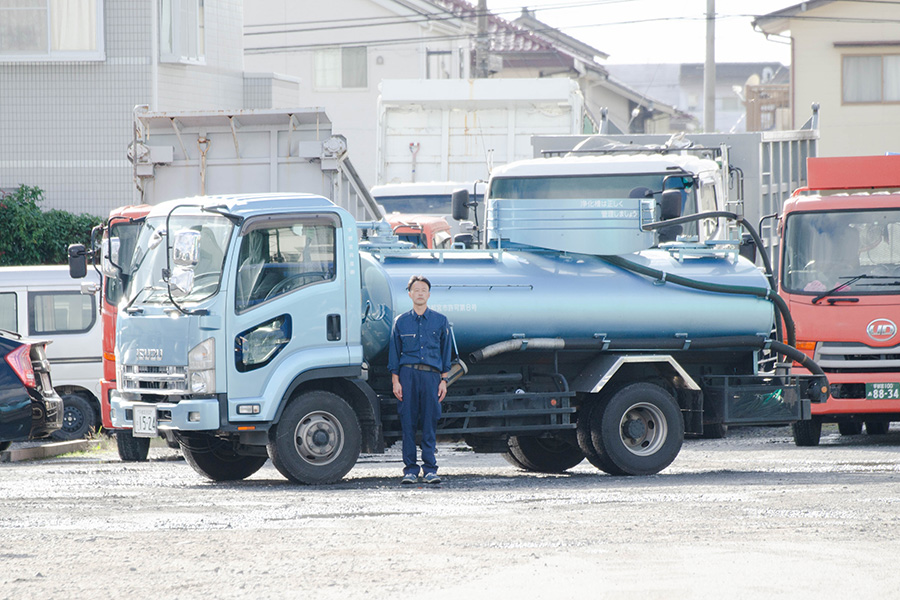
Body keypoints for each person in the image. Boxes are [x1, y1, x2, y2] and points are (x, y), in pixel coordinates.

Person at [387, 275, 452, 485]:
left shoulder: (440, 321)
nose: (420, 293)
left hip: (432, 376)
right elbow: (394, 354)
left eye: (424, 289)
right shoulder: (401, 322)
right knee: (408, 422)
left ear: (429, 294)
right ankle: (410, 470)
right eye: (416, 289)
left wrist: (444, 380)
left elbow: (446, 352)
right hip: (408, 375)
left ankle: (430, 469)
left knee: (429, 422)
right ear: (410, 294)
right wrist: (396, 381)